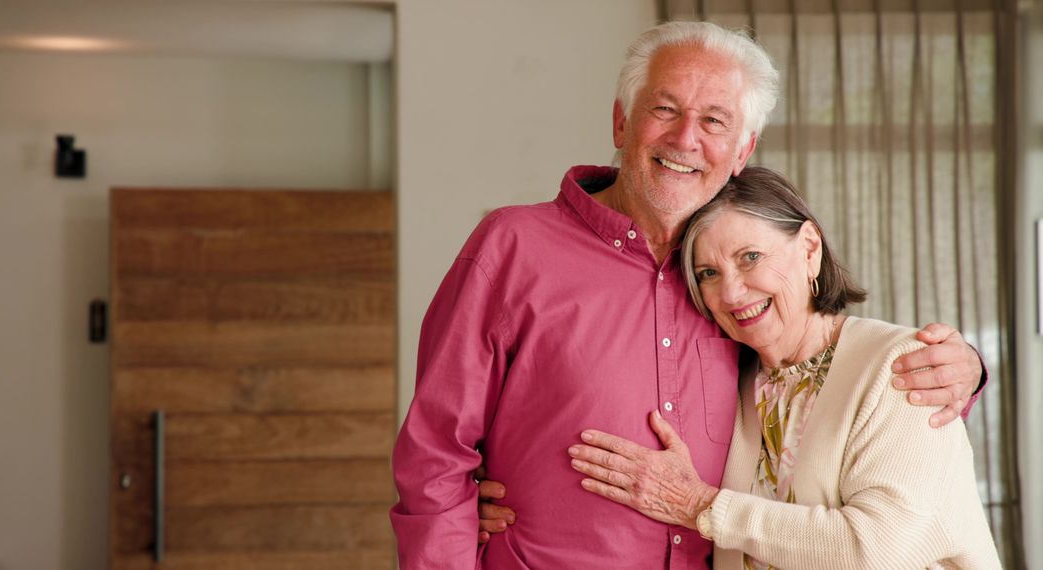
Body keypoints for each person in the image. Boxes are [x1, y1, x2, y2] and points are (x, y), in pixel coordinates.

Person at [391, 20, 985, 568]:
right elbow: (436, 451)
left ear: (742, 151)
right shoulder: (512, 245)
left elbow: (829, 385)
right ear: (622, 122)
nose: (685, 138)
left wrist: (965, 371)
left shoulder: (738, 292)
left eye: (715, 121)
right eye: (665, 109)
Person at [563, 166, 1001, 568]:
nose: (732, 293)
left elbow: (878, 549)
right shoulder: (732, 383)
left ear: (810, 248)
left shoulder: (902, 363)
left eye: (750, 257)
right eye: (708, 273)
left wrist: (699, 505)